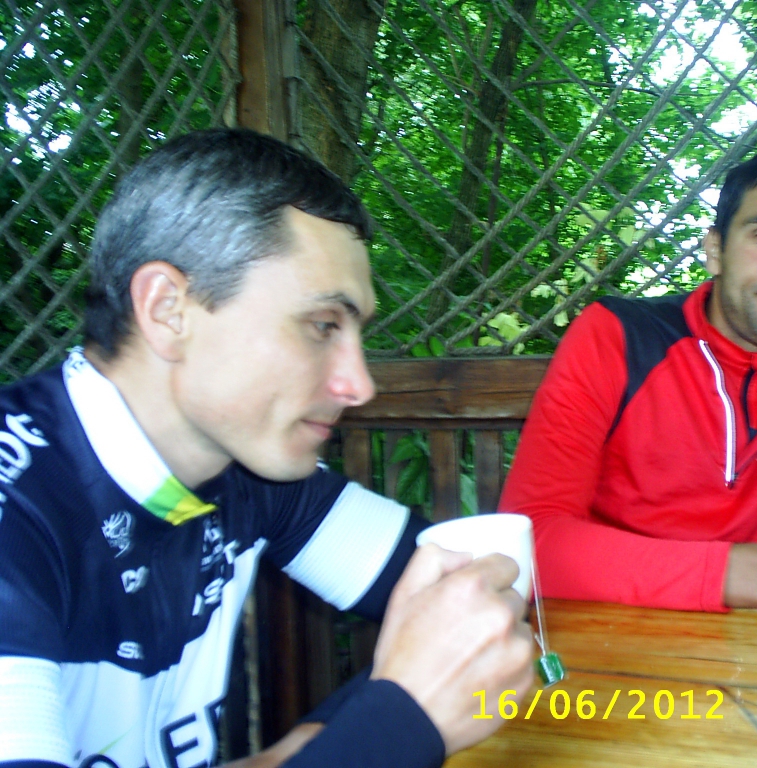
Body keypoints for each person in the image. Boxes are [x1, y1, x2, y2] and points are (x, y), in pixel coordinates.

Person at [0, 129, 534, 768]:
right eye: (321, 326)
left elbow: (470, 598)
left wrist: (314, 747)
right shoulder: (18, 506)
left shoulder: (248, 473)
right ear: (168, 310)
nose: (358, 385)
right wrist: (400, 718)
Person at [499, 143, 757, 628]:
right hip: (600, 630)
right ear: (716, 250)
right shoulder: (618, 336)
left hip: (742, 645)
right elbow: (530, 543)